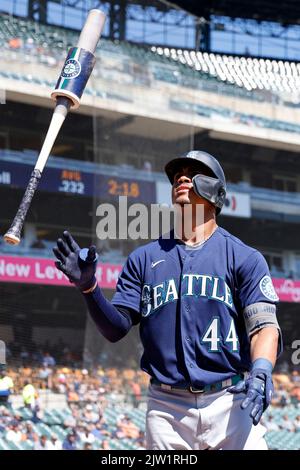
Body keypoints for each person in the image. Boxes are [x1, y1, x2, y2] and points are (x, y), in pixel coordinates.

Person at [53, 150, 282, 450]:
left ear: (218, 193)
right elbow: (115, 329)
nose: (182, 178)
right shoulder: (144, 259)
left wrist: (262, 370)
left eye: (194, 172)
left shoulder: (244, 258)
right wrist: (89, 287)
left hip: (230, 400)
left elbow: (264, 326)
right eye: (178, 175)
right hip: (166, 408)